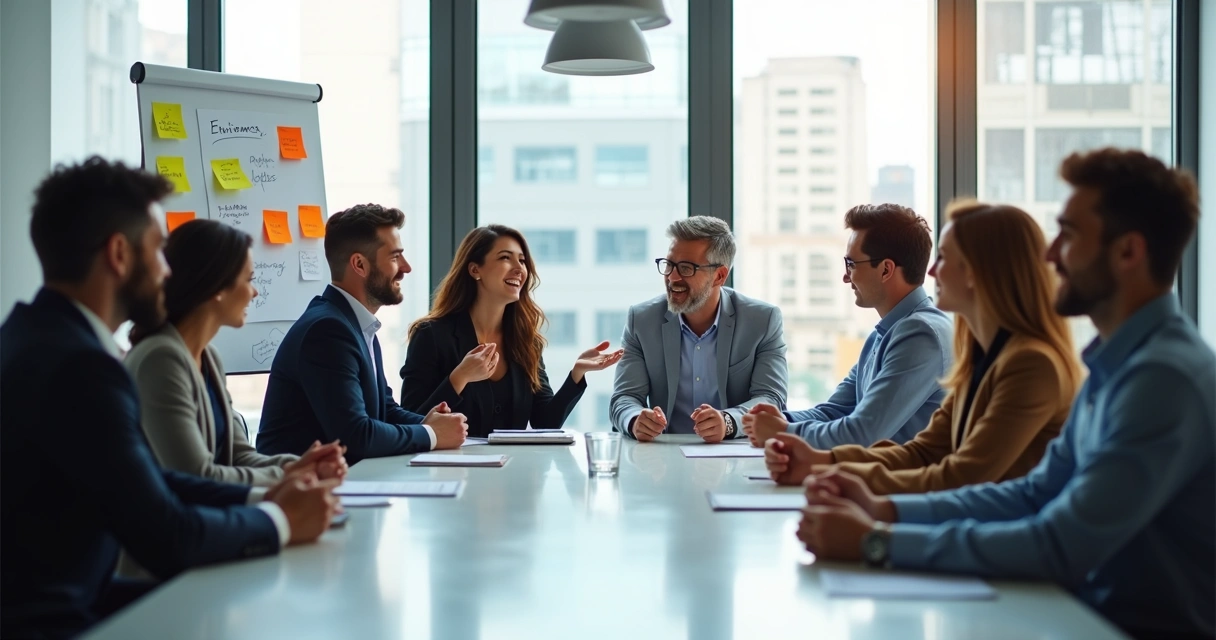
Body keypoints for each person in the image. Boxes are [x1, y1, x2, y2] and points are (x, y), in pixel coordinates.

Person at [792, 149, 1213, 640]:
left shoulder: (1163, 380)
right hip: (1073, 611)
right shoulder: (1113, 364)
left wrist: (879, 542)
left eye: (1069, 235)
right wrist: (883, 510)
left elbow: (1059, 542)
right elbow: (1035, 493)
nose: (1052, 255)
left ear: (1128, 252)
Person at [0, 157, 338, 639]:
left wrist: (264, 494)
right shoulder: (82, 367)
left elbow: (153, 483)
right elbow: (166, 535)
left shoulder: (33, 336)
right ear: (119, 254)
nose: (167, 270)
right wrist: (278, 520)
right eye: (159, 250)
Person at [764, 202, 1082, 495]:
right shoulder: (982, 355)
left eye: (943, 258)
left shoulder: (1030, 364)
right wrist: (825, 461)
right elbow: (925, 452)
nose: (931, 271)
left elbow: (963, 475)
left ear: (976, 272)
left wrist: (837, 474)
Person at [126, 219, 348, 486]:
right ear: (217, 287)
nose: (254, 292)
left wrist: (301, 464)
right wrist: (289, 475)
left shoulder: (209, 357)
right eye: (249, 279)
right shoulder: (161, 359)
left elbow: (240, 456)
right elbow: (198, 476)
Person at [256, 203, 468, 463]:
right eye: (394, 257)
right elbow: (356, 436)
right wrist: (431, 434)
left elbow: (384, 410)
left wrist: (433, 423)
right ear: (359, 264)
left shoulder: (355, 324)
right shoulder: (328, 331)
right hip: (302, 491)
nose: (406, 267)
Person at [741, 204, 952, 449]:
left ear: (885, 269)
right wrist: (778, 420)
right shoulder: (883, 335)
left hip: (908, 485)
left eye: (851, 264)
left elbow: (863, 432)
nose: (845, 276)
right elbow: (835, 411)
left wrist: (784, 431)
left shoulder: (921, 335)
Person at [400, 225, 622, 437]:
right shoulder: (431, 335)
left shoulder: (526, 341)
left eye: (522, 260)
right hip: (453, 472)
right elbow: (411, 421)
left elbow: (545, 422)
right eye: (505, 258)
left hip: (514, 472)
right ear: (475, 269)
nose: (519, 269)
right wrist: (460, 378)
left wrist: (577, 374)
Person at [610, 216, 787, 443]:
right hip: (663, 456)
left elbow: (771, 398)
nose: (673, 277)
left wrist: (728, 421)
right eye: (669, 264)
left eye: (686, 268)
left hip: (733, 455)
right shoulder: (642, 320)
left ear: (720, 276)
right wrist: (635, 420)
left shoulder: (762, 321)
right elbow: (624, 397)